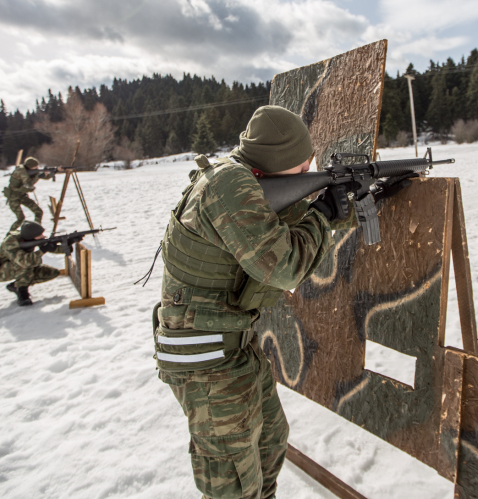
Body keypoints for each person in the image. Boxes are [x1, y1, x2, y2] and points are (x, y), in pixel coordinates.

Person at [153, 105, 411, 499]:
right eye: (305, 164)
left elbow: (275, 230)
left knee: (271, 443)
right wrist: (323, 213)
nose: (311, 168)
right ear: (278, 162)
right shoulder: (229, 187)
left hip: (233, 346)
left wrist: (353, 202)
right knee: (235, 483)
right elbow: (285, 265)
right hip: (205, 360)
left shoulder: (245, 180)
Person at [0, 221, 77, 306]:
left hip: (18, 266)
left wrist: (68, 242)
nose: (42, 236)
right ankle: (22, 294)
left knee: (52, 273)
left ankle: (16, 285)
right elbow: (25, 261)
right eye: (40, 234)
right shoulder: (11, 242)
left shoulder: (31, 238)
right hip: (0, 271)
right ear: (31, 236)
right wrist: (43, 250)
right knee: (26, 264)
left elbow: (50, 247)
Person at [3, 157, 62, 232]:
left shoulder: (31, 170)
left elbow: (45, 177)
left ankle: (36, 232)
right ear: (30, 166)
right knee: (20, 219)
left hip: (22, 196)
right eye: (35, 167)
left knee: (39, 212)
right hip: (13, 197)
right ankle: (10, 235)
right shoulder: (21, 171)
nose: (37, 168)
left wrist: (56, 170)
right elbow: (29, 184)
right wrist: (39, 176)